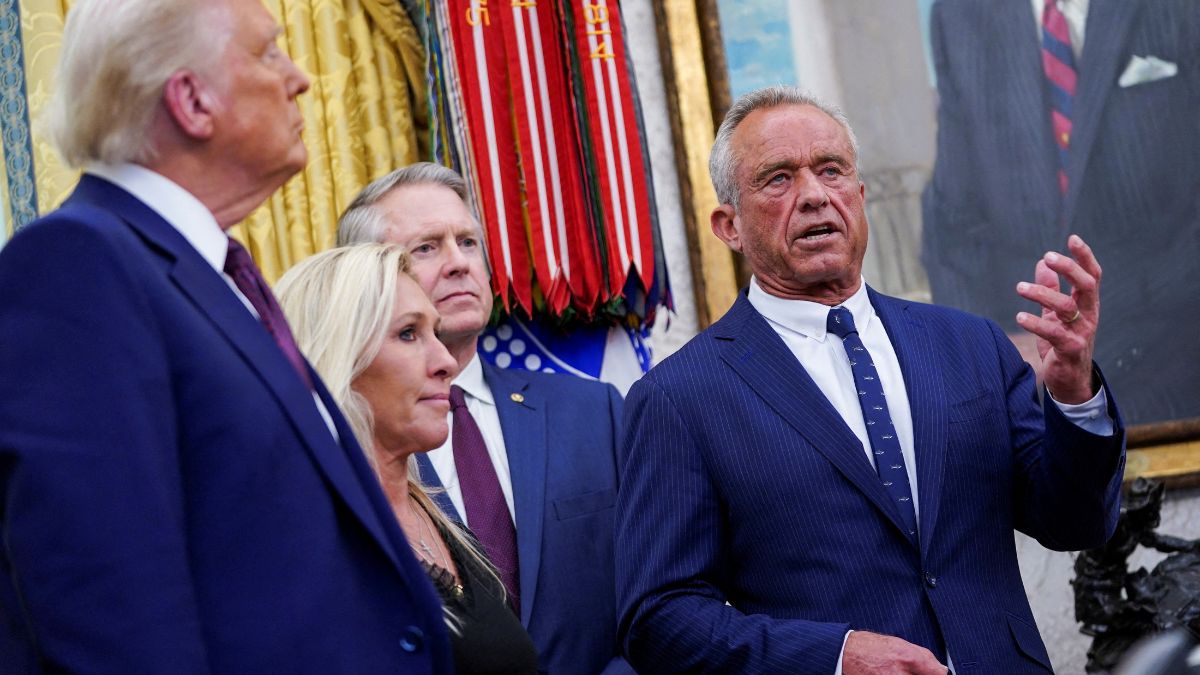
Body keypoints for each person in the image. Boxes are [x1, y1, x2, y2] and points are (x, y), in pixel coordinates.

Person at [0, 0, 451, 672]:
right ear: (191, 99)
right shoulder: (79, 263)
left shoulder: (219, 278)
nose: (298, 77)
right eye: (269, 51)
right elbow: (114, 605)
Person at [615, 86, 1126, 674]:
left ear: (859, 195)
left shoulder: (967, 345)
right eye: (778, 179)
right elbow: (659, 619)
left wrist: (1073, 393)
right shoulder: (680, 398)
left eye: (830, 170)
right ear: (728, 225)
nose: (813, 196)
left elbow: (1076, 523)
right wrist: (832, 659)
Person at [338, 163, 633, 675]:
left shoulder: (594, 412)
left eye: (468, 242)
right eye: (426, 248)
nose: (458, 263)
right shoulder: (348, 452)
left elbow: (659, 592)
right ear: (370, 276)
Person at [921, 0, 1200, 426]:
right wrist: (988, 355)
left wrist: (1079, 340)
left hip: (1175, 364)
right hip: (1031, 392)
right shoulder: (960, 13)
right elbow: (954, 221)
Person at [277, 243, 540, 675]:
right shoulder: (308, 544)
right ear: (336, 356)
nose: (445, 363)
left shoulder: (435, 516)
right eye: (407, 334)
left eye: (436, 333)